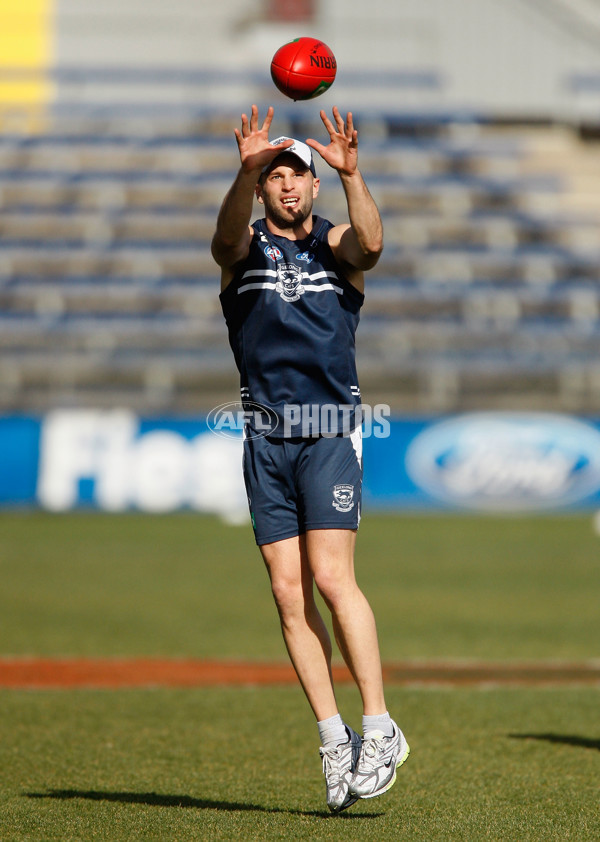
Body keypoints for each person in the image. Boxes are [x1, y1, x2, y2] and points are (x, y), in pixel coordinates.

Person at [211, 103, 409, 813]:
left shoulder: (338, 249)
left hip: (328, 431)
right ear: (263, 189)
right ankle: (334, 739)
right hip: (264, 439)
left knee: (330, 578)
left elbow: (375, 245)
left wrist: (356, 174)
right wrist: (243, 170)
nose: (289, 184)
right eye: (276, 175)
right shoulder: (243, 251)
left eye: (300, 173)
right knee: (287, 595)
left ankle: (379, 725)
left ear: (317, 186)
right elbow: (225, 238)